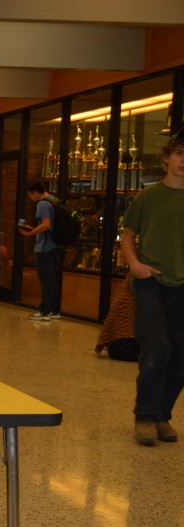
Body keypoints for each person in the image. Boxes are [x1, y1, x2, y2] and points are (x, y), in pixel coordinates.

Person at [119, 127, 184, 446]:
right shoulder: (148, 197)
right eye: (180, 154)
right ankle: (144, 417)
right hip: (151, 282)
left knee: (180, 355)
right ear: (166, 159)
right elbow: (127, 235)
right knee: (157, 348)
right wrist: (135, 265)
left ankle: (161, 416)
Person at [18, 179, 63, 321]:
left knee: (45, 280)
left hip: (44, 248)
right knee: (52, 279)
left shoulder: (42, 204)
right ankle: (54, 310)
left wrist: (30, 233)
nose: (30, 197)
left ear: (35, 192)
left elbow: (46, 225)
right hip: (56, 246)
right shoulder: (54, 200)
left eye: (30, 194)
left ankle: (44, 311)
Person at [95, 277, 138, 362]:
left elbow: (108, 327)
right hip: (137, 349)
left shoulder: (121, 300)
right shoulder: (148, 303)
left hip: (116, 349)